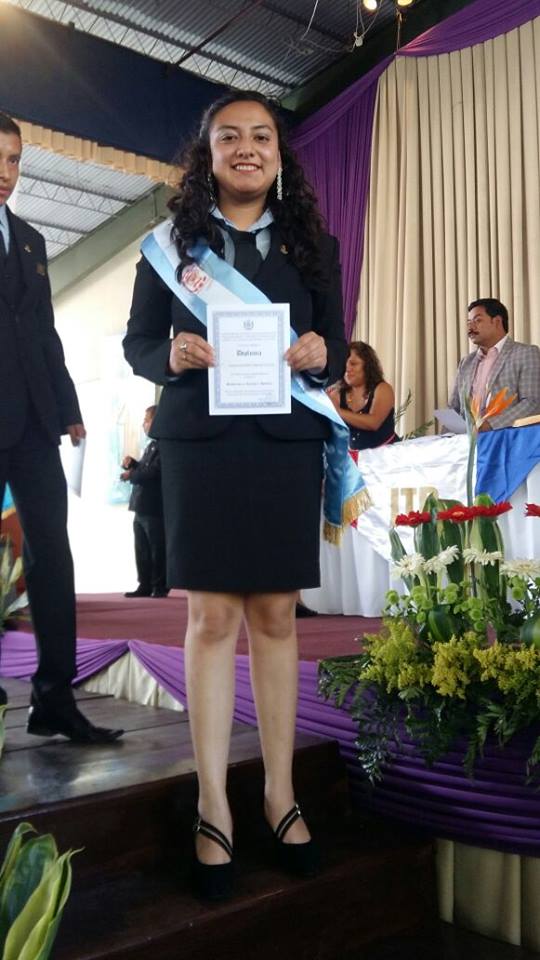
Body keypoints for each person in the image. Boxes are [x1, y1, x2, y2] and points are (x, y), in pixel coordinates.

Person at [123, 91, 348, 898]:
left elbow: (337, 342)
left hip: (284, 445)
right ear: (207, 153)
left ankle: (280, 795)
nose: (246, 148)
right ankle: (213, 802)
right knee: (212, 617)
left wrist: (321, 352)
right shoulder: (168, 247)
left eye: (261, 137)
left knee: (277, 616)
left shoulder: (314, 244)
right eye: (229, 137)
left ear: (279, 155)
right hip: (202, 447)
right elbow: (137, 343)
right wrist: (171, 355)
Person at [0, 112, 123, 743]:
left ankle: (54, 696)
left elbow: (44, 332)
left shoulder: (29, 240)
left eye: (14, 160)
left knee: (52, 552)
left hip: (32, 421)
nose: (6, 172)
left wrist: (69, 407)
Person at [449, 298, 540, 430]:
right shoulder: (466, 362)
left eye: (477, 320)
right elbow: (454, 408)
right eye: (469, 322)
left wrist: (490, 425)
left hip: (507, 437)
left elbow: (533, 402)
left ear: (497, 321)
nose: (470, 327)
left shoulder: (526, 353)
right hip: (465, 439)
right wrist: (445, 437)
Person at [121, 404, 168, 598]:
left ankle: (159, 585)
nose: (144, 424)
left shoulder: (165, 446)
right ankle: (145, 584)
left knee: (156, 547)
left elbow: (155, 472)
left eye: (147, 420)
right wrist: (133, 464)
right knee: (141, 548)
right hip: (141, 505)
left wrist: (132, 474)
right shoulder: (151, 445)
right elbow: (145, 468)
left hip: (154, 506)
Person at [329, 341, 397, 450]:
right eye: (345, 364)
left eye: (353, 364)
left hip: (387, 455)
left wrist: (338, 412)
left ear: (368, 366)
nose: (347, 369)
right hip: (356, 457)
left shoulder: (383, 389)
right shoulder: (337, 393)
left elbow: (373, 423)